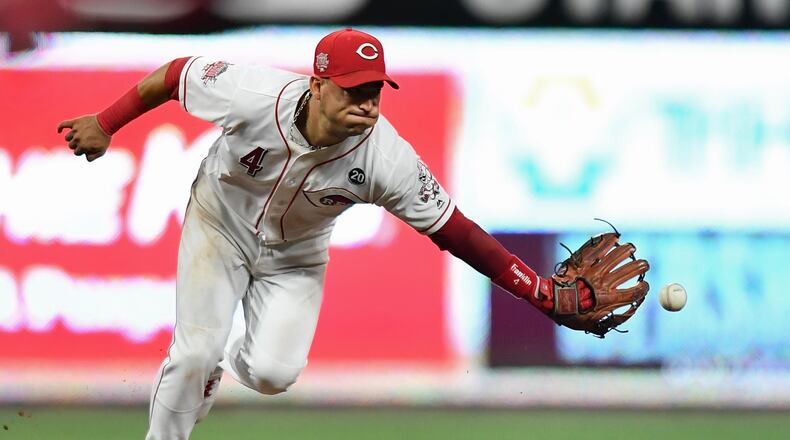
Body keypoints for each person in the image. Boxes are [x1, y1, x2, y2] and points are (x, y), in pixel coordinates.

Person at [57, 28, 591, 440]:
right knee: (194, 352)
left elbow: (458, 231)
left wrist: (535, 289)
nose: (367, 102)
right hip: (218, 223)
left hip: (296, 255)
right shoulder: (251, 93)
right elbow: (175, 75)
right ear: (317, 84)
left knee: (271, 374)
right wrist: (106, 122)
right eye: (354, 89)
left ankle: (218, 369)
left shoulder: (387, 157)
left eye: (375, 90)